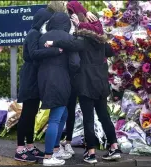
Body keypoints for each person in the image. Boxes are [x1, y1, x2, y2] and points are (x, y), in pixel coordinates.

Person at [44, 13, 121, 164]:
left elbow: (70, 44)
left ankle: (91, 153)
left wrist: (53, 42)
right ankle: (114, 146)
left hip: (86, 84)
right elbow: (111, 52)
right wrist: (100, 31)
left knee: (88, 119)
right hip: (101, 84)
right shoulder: (101, 41)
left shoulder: (82, 39)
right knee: (104, 116)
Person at [15, 8, 62, 163]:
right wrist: (55, 51)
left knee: (32, 112)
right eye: (47, 21)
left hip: (34, 77)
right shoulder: (34, 34)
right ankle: (20, 149)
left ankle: (30, 146)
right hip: (30, 77)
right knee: (27, 114)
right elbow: (34, 53)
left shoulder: (36, 33)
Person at [34, 12, 80, 166]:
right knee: (55, 117)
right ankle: (49, 156)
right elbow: (75, 63)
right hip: (61, 80)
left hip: (44, 79)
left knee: (63, 113)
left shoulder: (42, 38)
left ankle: (54, 149)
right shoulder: (68, 38)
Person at [61, 0, 100, 156]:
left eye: (70, 11)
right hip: (80, 75)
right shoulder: (71, 24)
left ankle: (72, 143)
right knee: (72, 109)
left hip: (78, 74)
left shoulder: (82, 27)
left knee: (76, 110)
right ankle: (71, 143)